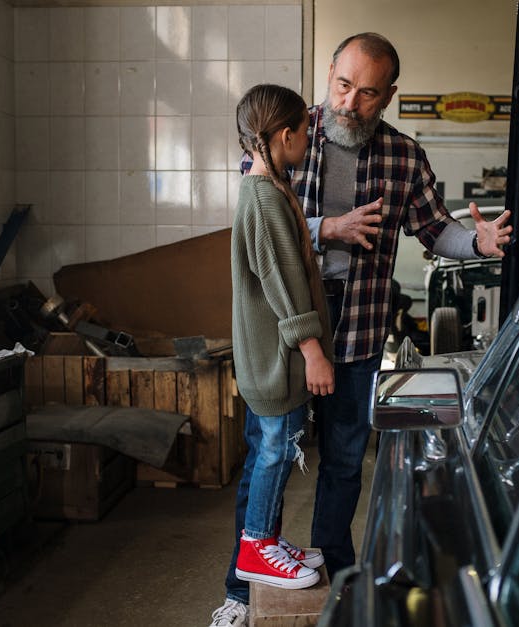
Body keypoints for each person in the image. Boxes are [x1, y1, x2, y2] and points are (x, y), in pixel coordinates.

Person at [212, 33, 512, 626]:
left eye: (367, 93)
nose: (349, 103)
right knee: (267, 455)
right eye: (343, 85)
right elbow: (254, 219)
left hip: (358, 330)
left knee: (345, 463)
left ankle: (335, 580)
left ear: (388, 96)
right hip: (288, 338)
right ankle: (240, 593)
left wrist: (477, 242)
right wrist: (329, 228)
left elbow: (437, 230)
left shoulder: (404, 157)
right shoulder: (285, 130)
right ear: (330, 73)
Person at [211, 84, 335, 627]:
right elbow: (283, 285)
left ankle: (264, 540)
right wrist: (313, 351)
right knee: (275, 453)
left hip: (272, 359)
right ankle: (257, 546)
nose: (310, 140)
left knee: (273, 449)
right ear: (284, 136)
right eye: (306, 131)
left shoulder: (266, 187)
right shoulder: (263, 198)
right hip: (277, 361)